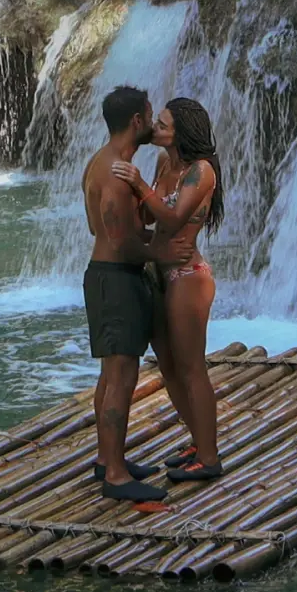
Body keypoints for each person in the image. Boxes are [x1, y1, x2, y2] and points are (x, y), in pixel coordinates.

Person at [81, 85, 194, 502]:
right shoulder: (115, 174)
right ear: (136, 121)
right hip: (116, 280)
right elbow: (119, 240)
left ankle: (106, 459)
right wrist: (160, 251)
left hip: (108, 276)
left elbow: (98, 229)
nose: (153, 122)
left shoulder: (103, 162)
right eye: (149, 115)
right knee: (121, 377)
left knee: (110, 374)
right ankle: (114, 475)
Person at [111, 97, 225, 483]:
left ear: (181, 131)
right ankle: (198, 440)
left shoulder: (201, 171)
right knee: (170, 368)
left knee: (192, 368)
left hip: (187, 277)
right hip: (159, 272)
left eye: (162, 124)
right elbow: (150, 213)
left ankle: (209, 458)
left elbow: (174, 219)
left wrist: (138, 183)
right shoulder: (164, 162)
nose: (154, 128)